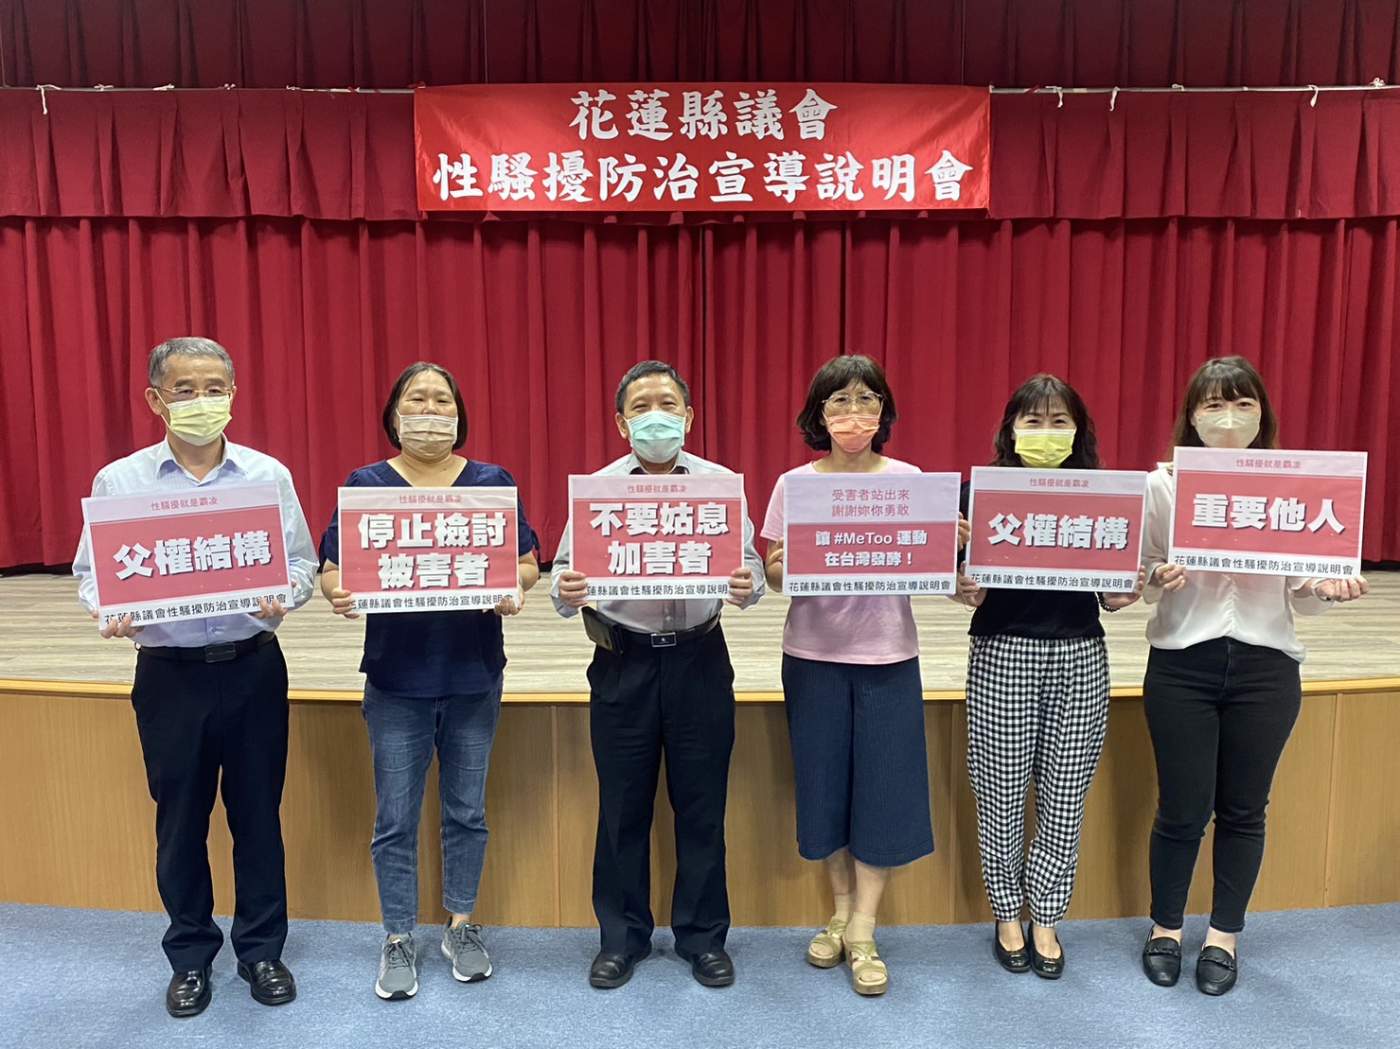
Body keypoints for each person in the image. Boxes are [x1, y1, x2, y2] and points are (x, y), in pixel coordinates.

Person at [73, 336, 317, 1018]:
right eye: (185, 390)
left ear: (233, 395)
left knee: (258, 816)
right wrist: (109, 608)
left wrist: (284, 595)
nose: (202, 401)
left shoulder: (266, 474)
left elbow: (300, 563)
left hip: (252, 667)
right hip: (168, 676)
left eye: (215, 388)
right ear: (156, 400)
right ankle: (189, 956)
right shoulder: (121, 482)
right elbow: (91, 574)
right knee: (179, 823)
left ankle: (261, 950)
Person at [1138, 356, 1368, 996]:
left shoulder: (1295, 487)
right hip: (1183, 662)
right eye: (1213, 405)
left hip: (1267, 665)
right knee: (1181, 808)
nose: (1228, 418)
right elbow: (1141, 570)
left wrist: (1326, 587)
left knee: (1244, 808)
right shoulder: (1162, 485)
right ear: (1191, 416)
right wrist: (1156, 575)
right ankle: (1165, 926)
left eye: (1243, 404)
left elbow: (1303, 587)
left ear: (1262, 413)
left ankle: (1224, 935)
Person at [318, 362, 539, 1000]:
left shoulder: (492, 483)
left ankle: (461, 925)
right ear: (394, 414)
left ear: (459, 414)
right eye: (417, 399)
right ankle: (397, 935)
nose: (430, 410)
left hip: (473, 674)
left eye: (443, 400)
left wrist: (512, 588)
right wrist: (338, 592)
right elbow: (331, 569)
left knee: (467, 811)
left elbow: (527, 564)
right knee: (395, 816)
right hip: (396, 678)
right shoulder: (366, 485)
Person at [551, 360, 764, 990]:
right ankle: (622, 938)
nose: (655, 417)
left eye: (667, 404)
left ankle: (702, 937)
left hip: (700, 657)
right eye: (640, 407)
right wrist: (568, 588)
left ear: (689, 417)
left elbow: (750, 568)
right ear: (622, 424)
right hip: (625, 660)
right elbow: (563, 580)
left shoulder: (721, 486)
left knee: (702, 805)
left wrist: (746, 584)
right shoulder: (598, 491)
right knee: (622, 807)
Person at [761, 354, 969, 996]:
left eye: (867, 400)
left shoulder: (911, 482)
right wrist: (791, 561)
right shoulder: (795, 484)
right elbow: (773, 572)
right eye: (840, 402)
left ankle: (864, 928)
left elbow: (937, 571)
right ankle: (840, 912)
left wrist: (955, 549)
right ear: (819, 415)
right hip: (813, 656)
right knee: (824, 790)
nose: (855, 413)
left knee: (883, 793)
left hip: (888, 657)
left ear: (884, 411)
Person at [954, 374, 1143, 980]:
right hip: (1003, 652)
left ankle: (1047, 916)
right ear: (1010, 430)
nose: (1045, 432)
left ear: (1078, 430)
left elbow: (1112, 595)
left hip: (1081, 654)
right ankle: (1007, 914)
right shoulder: (978, 494)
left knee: (1065, 796)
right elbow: (963, 585)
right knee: (1000, 794)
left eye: (1059, 421)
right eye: (1032, 421)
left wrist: (1127, 590)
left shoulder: (1103, 495)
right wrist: (959, 578)